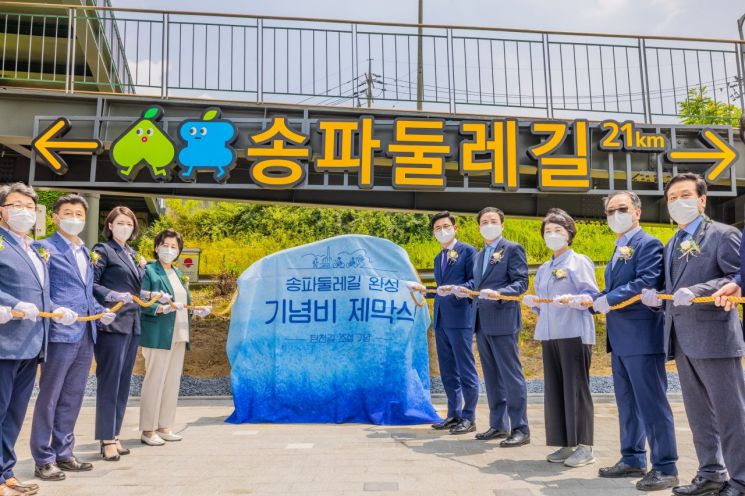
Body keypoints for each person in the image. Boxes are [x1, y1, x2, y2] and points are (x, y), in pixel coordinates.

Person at [641, 173, 745, 496]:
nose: (677, 202)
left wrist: (698, 289)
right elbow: (673, 290)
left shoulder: (723, 235)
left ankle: (741, 480)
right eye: (671, 198)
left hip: (716, 339)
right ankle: (711, 472)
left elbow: (734, 278)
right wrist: (658, 298)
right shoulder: (671, 243)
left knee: (731, 415)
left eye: (684, 195)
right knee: (699, 414)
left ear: (702, 200)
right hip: (683, 340)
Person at [593, 191, 679, 492]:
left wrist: (608, 299)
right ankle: (632, 457)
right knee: (627, 403)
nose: (615, 214)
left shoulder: (648, 243)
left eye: (622, 209)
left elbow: (645, 281)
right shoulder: (618, 247)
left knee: (651, 404)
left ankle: (666, 466)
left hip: (642, 338)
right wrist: (590, 299)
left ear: (637, 212)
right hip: (620, 339)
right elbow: (614, 289)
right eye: (610, 211)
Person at [30, 195, 118, 482]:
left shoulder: (84, 252)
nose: (74, 218)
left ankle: (64, 451)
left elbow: (86, 292)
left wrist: (101, 311)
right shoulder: (44, 248)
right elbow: (40, 290)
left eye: (79, 213)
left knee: (73, 395)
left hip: (85, 333)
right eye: (68, 212)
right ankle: (43, 458)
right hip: (59, 332)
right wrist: (55, 310)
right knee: (51, 395)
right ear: (55, 217)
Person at [0, 183, 77, 496]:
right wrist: (13, 304)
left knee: (15, 413)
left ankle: (5, 473)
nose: (25, 211)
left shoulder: (33, 247)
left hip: (31, 344)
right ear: (2, 210)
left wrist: (54, 309)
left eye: (30, 207)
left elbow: (39, 292)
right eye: (17, 205)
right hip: (5, 343)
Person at [92, 206, 170, 461]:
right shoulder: (102, 251)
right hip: (112, 324)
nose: (125, 227)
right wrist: (110, 296)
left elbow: (134, 289)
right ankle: (106, 440)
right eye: (120, 222)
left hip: (133, 324)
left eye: (129, 223)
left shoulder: (134, 254)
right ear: (110, 225)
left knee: (123, 383)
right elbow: (91, 283)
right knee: (110, 382)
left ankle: (115, 434)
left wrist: (151, 295)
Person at [523, 208, 598, 468]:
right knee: (556, 389)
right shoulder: (544, 268)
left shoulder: (579, 261)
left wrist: (575, 300)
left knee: (576, 390)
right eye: (548, 231)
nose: (552, 235)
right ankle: (567, 443)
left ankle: (585, 447)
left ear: (569, 234)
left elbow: (591, 296)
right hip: (550, 333)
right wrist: (533, 303)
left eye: (558, 230)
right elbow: (544, 304)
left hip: (574, 333)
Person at [451, 207, 530, 447]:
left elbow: (521, 282)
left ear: (502, 225)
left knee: (511, 376)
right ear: (478, 227)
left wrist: (499, 294)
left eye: (493, 221)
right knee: (492, 376)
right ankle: (498, 425)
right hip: (481, 322)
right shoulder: (478, 255)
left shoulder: (512, 249)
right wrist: (464, 290)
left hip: (503, 319)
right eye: (484, 222)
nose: (488, 224)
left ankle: (520, 427)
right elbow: (478, 283)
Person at [407, 212, 479, 435]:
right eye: (437, 228)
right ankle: (453, 414)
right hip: (442, 319)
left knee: (465, 368)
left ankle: (469, 417)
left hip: (461, 317)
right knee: (448, 370)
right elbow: (441, 289)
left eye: (445, 226)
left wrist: (459, 289)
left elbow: (475, 282)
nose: (442, 231)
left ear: (455, 228)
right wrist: (424, 291)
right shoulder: (439, 258)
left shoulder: (468, 251)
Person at [139, 229, 211, 446]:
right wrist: (161, 309)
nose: (169, 250)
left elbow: (182, 303)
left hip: (179, 333)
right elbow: (141, 303)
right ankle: (148, 430)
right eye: (166, 245)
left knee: (172, 382)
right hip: (159, 334)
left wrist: (195, 310)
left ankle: (164, 426)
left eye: (174, 247)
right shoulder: (149, 271)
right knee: (155, 381)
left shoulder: (178, 274)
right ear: (156, 246)